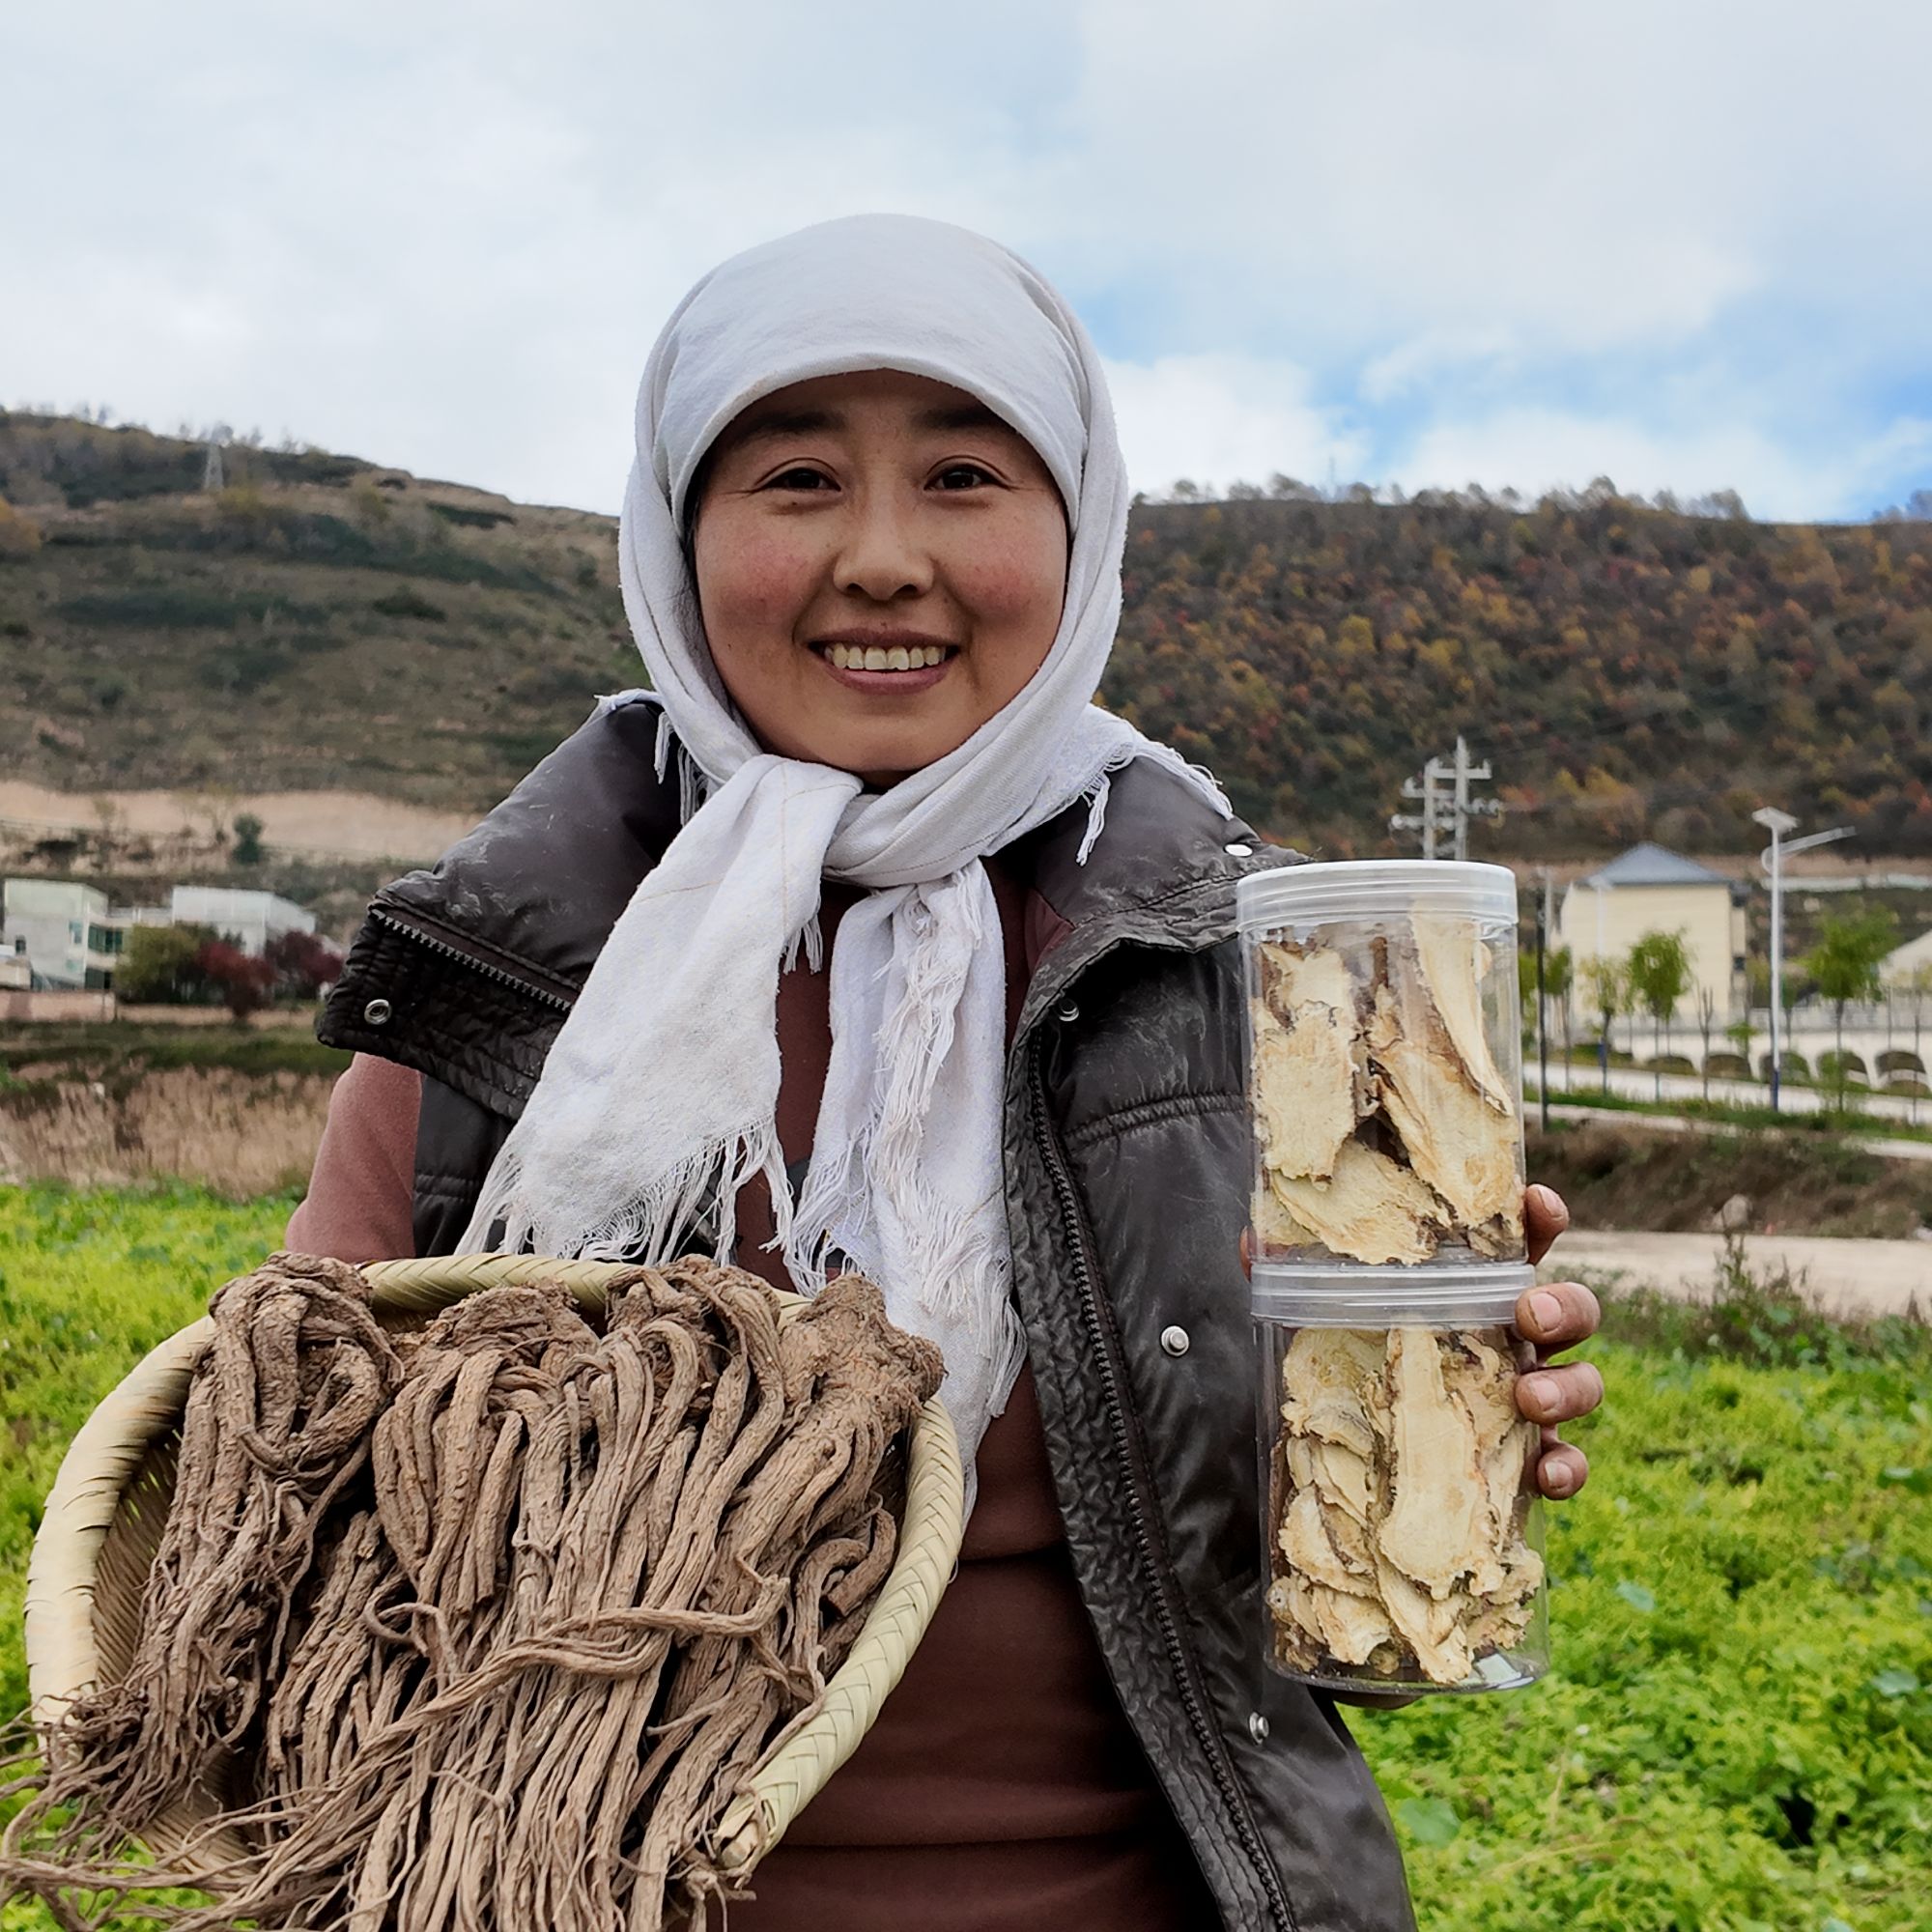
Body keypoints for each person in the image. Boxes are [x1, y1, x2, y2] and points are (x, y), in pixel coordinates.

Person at [291, 213, 1605, 1932]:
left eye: (967, 475)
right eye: (797, 479)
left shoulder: (1239, 981)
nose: (885, 558)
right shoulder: (517, 980)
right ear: (677, 539)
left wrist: (1440, 1457)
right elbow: (289, 1513)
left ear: (1080, 529)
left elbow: (1318, 1634)